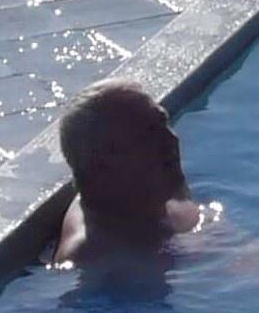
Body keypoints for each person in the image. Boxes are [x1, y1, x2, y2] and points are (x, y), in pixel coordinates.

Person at [52, 81, 213, 263]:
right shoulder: (94, 255)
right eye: (148, 135)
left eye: (163, 122)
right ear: (106, 163)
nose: (170, 140)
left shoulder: (164, 185)